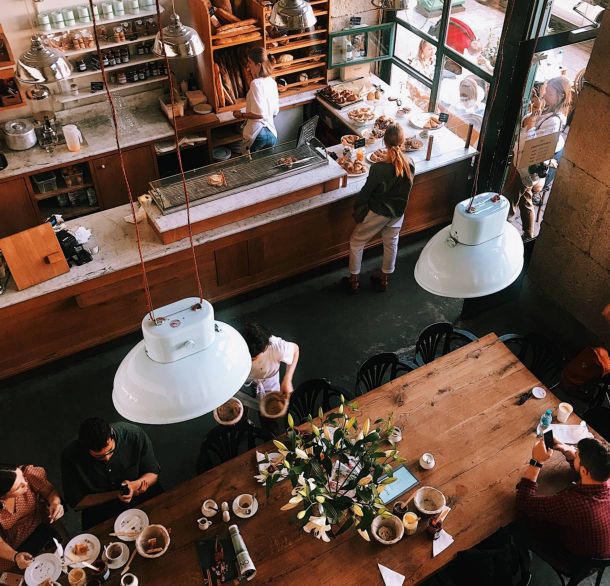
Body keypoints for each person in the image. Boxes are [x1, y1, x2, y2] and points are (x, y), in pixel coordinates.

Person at [342, 124, 415, 293]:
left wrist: (358, 209)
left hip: (378, 212)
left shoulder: (379, 168)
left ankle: (353, 280)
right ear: (403, 141)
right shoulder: (409, 163)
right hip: (398, 213)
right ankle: (384, 279)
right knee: (391, 242)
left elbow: (366, 193)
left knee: (357, 242)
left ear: (384, 142)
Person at [515, 437, 610, 566]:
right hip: (602, 551)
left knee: (519, 521)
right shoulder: (604, 474)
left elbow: (523, 502)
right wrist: (569, 453)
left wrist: (536, 462)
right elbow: (590, 473)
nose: (574, 452)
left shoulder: (573, 503)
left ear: (584, 470)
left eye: (577, 454)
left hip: (576, 559)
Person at [61, 418, 161, 529]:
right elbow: (77, 502)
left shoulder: (133, 435)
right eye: (99, 457)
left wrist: (134, 485)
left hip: (140, 494)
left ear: (112, 436)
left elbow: (153, 474)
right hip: (100, 508)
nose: (107, 458)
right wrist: (117, 493)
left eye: (110, 451)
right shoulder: (70, 456)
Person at [508, 75, 572, 239]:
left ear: (561, 96)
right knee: (525, 198)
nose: (544, 96)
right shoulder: (547, 109)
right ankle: (529, 233)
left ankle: (505, 226)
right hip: (523, 161)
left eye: (549, 93)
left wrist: (530, 126)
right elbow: (528, 123)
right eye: (546, 91)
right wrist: (533, 114)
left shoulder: (555, 121)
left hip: (528, 165)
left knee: (512, 197)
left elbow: (535, 144)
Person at [0, 464, 64, 571]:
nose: (26, 483)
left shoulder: (29, 475)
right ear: (2, 497)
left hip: (40, 526)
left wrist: (55, 503)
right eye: (19, 487)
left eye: (22, 478)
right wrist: (15, 556)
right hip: (11, 546)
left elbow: (50, 492)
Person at [233, 47, 279, 153]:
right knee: (267, 163)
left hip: (257, 135)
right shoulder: (272, 82)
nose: (248, 66)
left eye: (250, 62)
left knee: (249, 162)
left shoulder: (255, 84)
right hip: (272, 134)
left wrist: (241, 114)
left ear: (258, 65)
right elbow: (275, 112)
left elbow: (259, 114)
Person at [240, 323, 299, 397]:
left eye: (253, 359)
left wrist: (288, 379)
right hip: (246, 378)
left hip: (269, 377)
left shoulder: (277, 346)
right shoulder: (235, 346)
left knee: (273, 398)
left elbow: (295, 350)